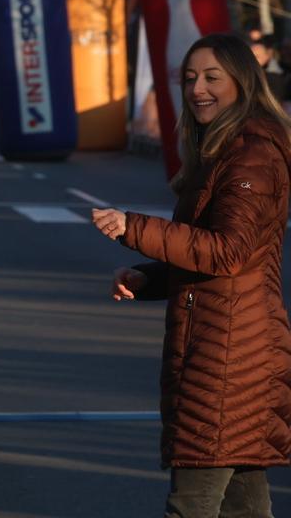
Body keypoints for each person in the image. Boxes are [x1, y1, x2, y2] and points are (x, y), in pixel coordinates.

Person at [92, 32, 291, 518]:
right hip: (225, 349)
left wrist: (133, 227)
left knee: (192, 507)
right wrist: (148, 279)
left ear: (242, 82)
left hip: (230, 358)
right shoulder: (227, 150)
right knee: (244, 508)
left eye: (212, 77)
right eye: (189, 78)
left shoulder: (253, 154)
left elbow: (228, 252)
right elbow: (215, 259)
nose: (198, 88)